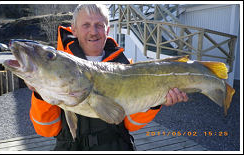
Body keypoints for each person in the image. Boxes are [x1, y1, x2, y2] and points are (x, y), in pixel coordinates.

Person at [27, 4, 188, 151]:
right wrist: (40, 95)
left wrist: (155, 102)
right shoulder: (57, 69)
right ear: (74, 30)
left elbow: (132, 124)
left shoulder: (127, 66)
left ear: (107, 30)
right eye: (86, 25)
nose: (93, 31)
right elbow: (46, 129)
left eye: (99, 25)